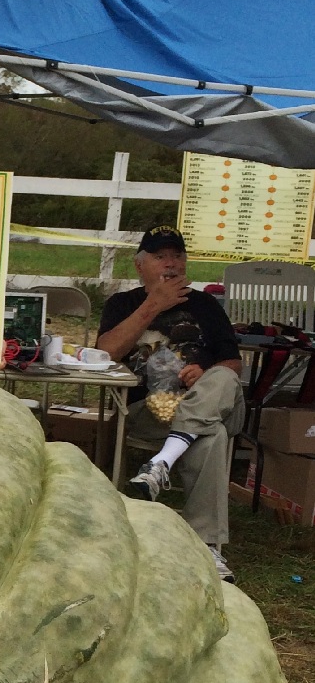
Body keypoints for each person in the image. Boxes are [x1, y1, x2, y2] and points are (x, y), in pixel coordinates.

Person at [96, 225, 245, 583]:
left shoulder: (205, 305)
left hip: (208, 400)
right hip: (152, 410)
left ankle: (162, 461)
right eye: (160, 256)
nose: (171, 263)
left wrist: (204, 371)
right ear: (139, 265)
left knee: (223, 380)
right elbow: (106, 353)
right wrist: (153, 305)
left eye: (177, 255)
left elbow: (233, 363)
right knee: (211, 437)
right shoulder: (124, 304)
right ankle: (204, 543)